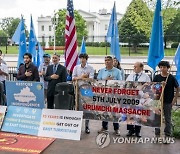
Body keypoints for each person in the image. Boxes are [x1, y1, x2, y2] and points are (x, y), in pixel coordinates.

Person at [97, 56, 122, 136]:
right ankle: (104, 127)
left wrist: (113, 81)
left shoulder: (117, 71)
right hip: (104, 95)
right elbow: (98, 81)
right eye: (105, 60)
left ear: (112, 61)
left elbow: (121, 82)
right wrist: (105, 80)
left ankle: (116, 128)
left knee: (114, 111)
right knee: (104, 111)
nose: (107, 62)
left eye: (108, 60)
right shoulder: (101, 71)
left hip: (114, 95)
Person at [153, 61, 179, 137]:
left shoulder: (171, 78)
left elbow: (177, 89)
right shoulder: (157, 77)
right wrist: (161, 85)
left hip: (167, 101)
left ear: (168, 68)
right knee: (157, 118)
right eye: (161, 67)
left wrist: (174, 100)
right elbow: (153, 88)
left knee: (167, 118)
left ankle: (167, 134)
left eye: (164, 67)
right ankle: (157, 134)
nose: (162, 69)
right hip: (157, 100)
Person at [126, 62, 151, 137]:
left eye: (136, 67)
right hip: (131, 98)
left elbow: (148, 88)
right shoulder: (130, 76)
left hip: (140, 99)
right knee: (130, 113)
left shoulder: (146, 77)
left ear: (141, 68)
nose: (134, 68)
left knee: (139, 114)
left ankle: (137, 131)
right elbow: (126, 85)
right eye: (134, 66)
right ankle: (130, 130)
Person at [72, 53, 94, 134]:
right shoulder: (76, 67)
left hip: (87, 90)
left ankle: (87, 126)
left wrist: (83, 77)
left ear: (86, 59)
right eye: (81, 58)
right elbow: (73, 78)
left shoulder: (90, 68)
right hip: (78, 89)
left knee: (87, 108)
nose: (82, 60)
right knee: (78, 108)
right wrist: (83, 77)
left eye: (83, 58)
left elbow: (91, 79)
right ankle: (77, 126)